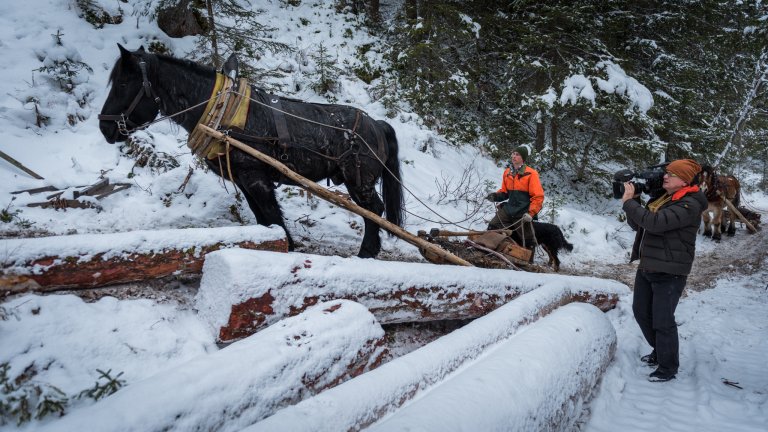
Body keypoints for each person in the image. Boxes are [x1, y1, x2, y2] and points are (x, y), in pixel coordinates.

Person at [621, 159, 707, 382]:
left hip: (670, 270)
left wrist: (630, 203)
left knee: (662, 320)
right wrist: (636, 201)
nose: (665, 177)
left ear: (684, 181)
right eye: (666, 173)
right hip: (649, 265)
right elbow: (639, 224)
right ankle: (659, 350)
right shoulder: (665, 199)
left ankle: (668, 366)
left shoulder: (689, 204)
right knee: (641, 313)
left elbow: (656, 223)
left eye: (671, 174)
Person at [485, 145, 544, 247]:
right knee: (493, 226)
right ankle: (497, 248)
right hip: (509, 209)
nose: (513, 156)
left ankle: (529, 261)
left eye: (517, 154)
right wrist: (495, 196)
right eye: (513, 154)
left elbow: (538, 196)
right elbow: (505, 192)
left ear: (523, 158)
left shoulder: (531, 174)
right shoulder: (507, 172)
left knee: (528, 240)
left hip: (523, 212)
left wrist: (531, 213)